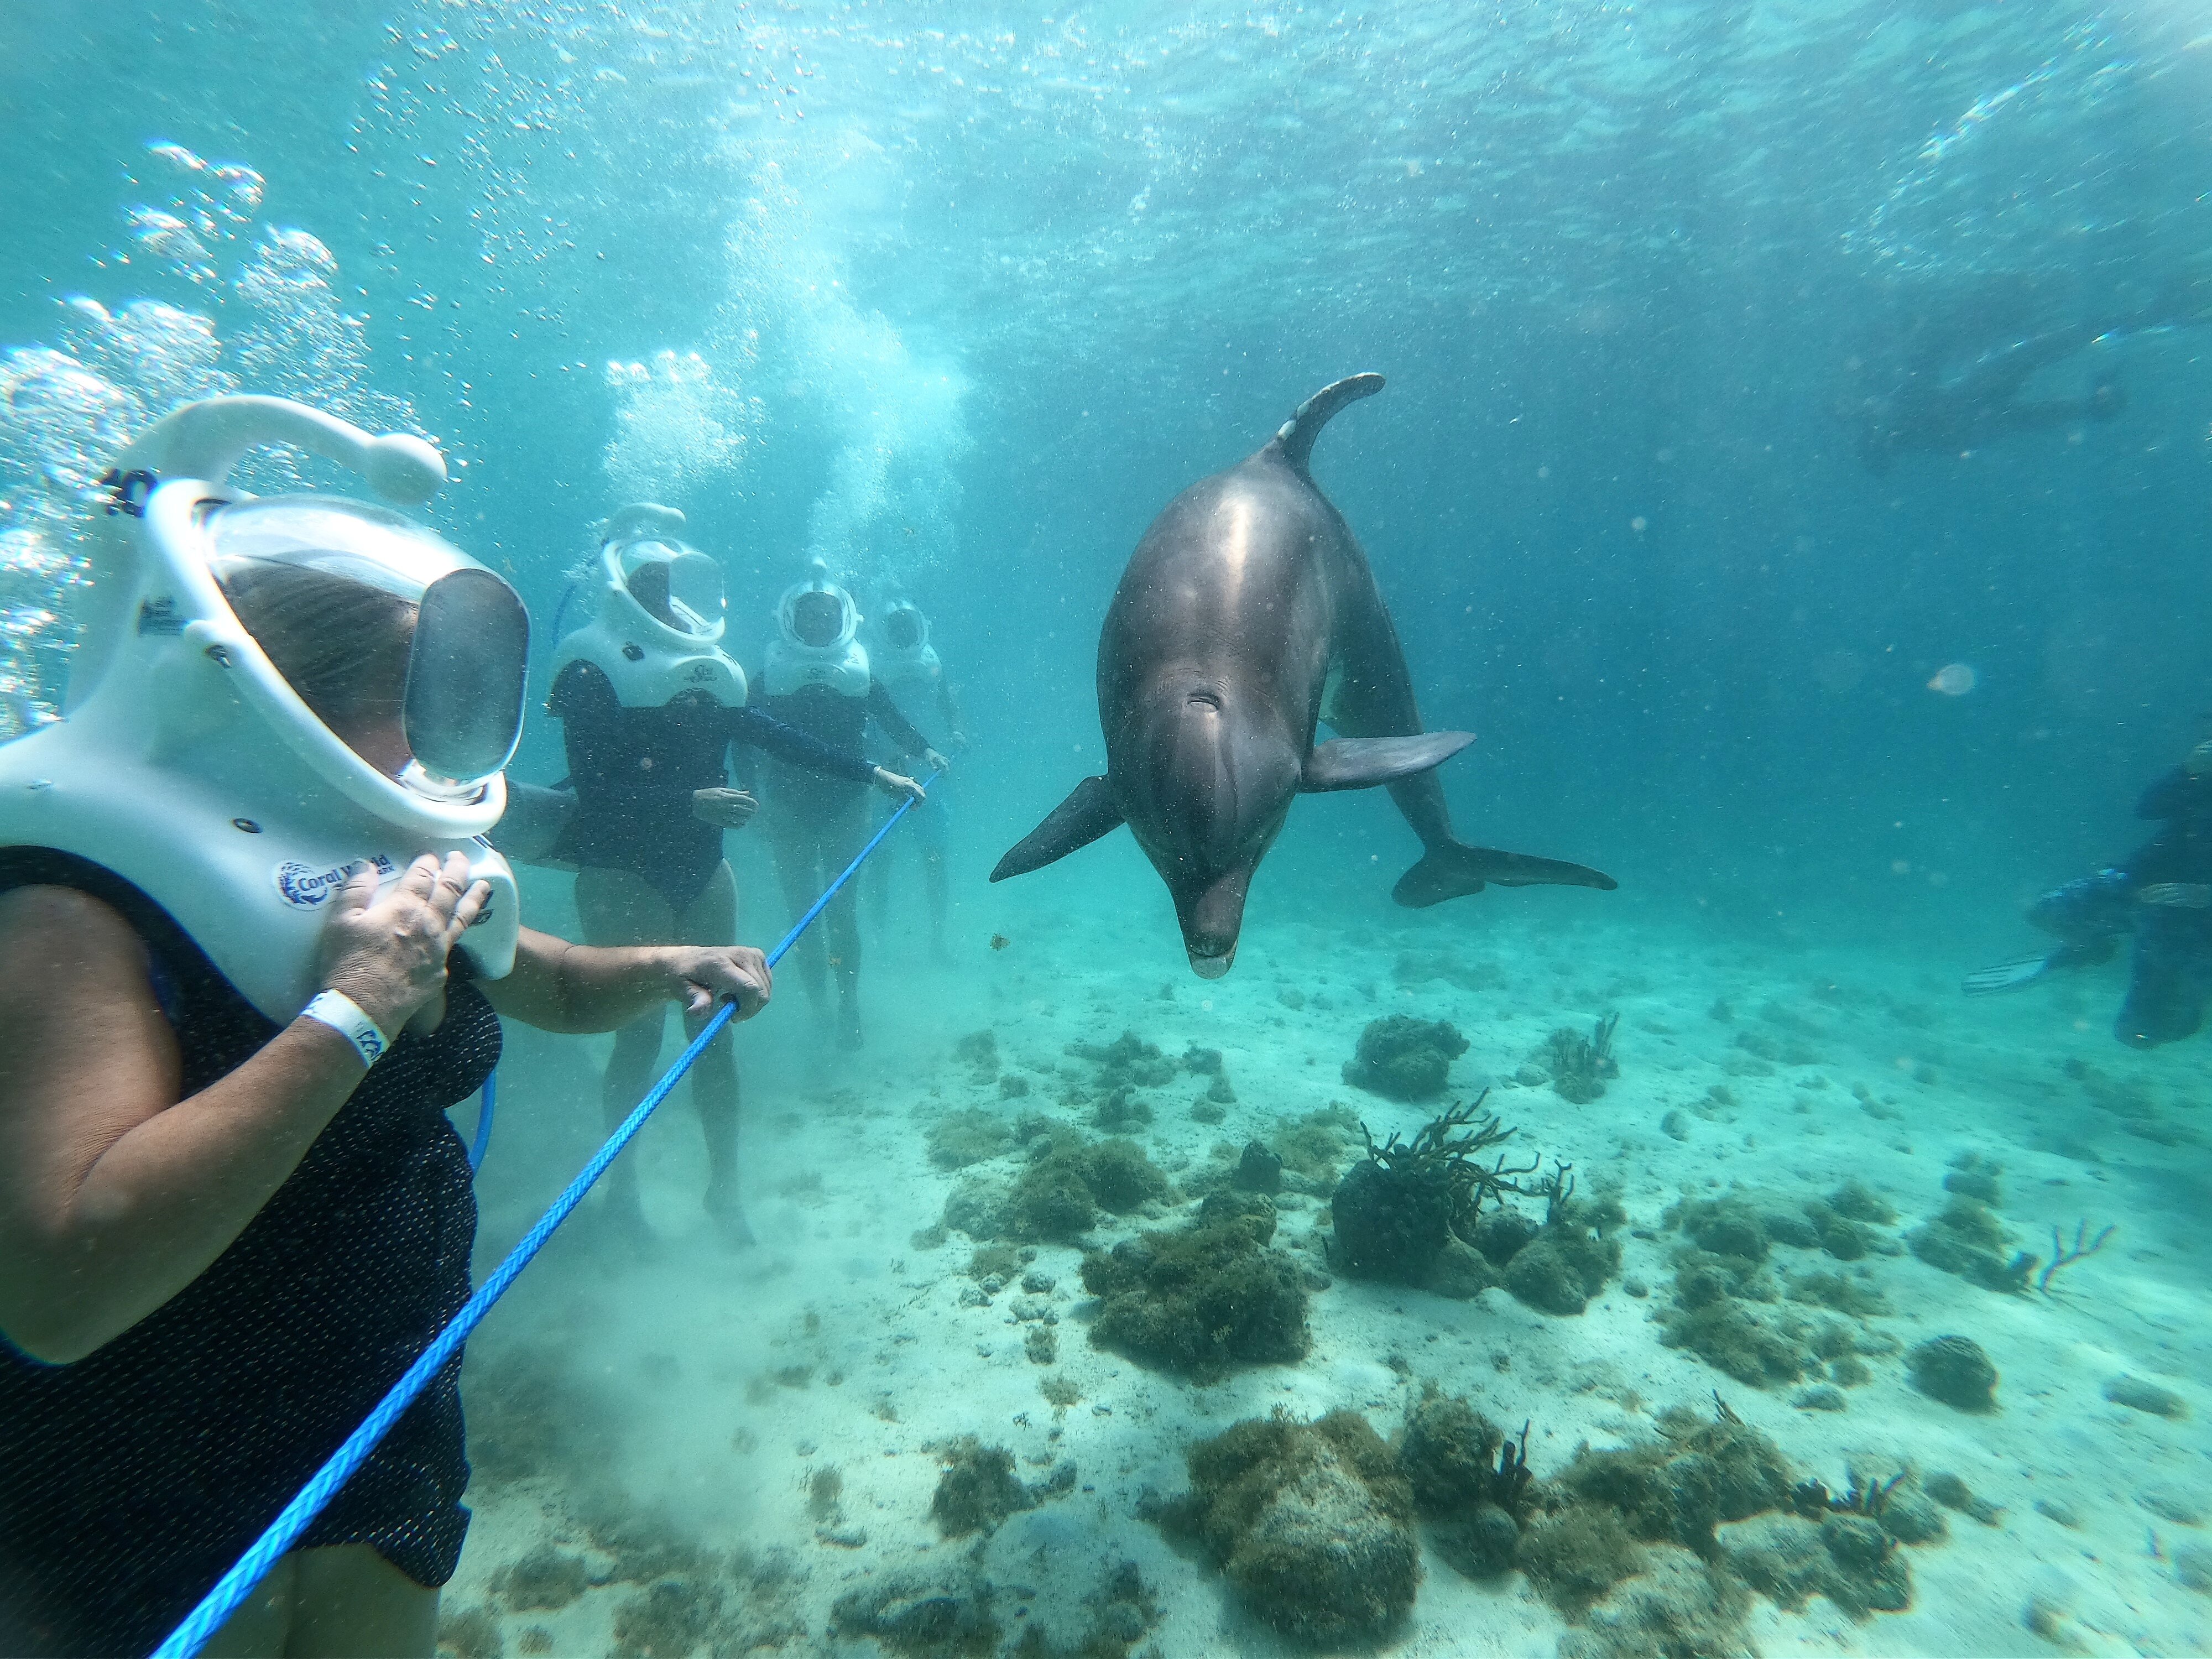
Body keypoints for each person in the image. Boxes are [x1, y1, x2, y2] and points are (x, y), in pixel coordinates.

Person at [0, 398, 775, 1657]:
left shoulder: (371, 827)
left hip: (381, 1414)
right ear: (268, 685)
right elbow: (62, 1285)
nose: (439, 736)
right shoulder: (72, 903)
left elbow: (544, 979)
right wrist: (353, 1009)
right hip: (151, 1478)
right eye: (418, 691)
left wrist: (670, 960)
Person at [525, 505, 925, 1243]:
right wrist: (689, 799)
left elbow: (771, 734)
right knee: (638, 1038)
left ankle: (725, 1194)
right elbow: (591, 793)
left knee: (716, 1033)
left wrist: (873, 772)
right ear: (616, 587)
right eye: (646, 581)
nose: (662, 594)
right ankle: (624, 1195)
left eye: (669, 581)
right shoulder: (589, 666)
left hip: (703, 872)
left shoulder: (706, 669)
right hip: (622, 875)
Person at [754, 562, 946, 1050]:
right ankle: (820, 1009)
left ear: (843, 617)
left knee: (842, 913)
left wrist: (925, 750)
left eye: (827, 614)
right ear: (790, 618)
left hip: (848, 804)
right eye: (809, 614)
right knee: (804, 916)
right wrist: (752, 792)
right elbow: (745, 736)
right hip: (786, 808)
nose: (818, 623)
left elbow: (891, 717)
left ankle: (848, 1004)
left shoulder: (858, 673)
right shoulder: (767, 676)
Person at [1966, 721, 2212, 1046]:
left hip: (2195, 924)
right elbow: (2149, 808)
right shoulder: (2204, 777)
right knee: (2048, 912)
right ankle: (2090, 948)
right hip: (2141, 884)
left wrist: (2203, 894)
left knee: (2140, 1034)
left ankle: (2179, 1003)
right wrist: (2188, 771)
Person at [866, 598, 967, 961]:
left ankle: (938, 942)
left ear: (919, 626)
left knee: (935, 858)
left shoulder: (931, 659)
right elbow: (869, 719)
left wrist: (957, 732)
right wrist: (884, 760)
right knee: (882, 861)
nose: (903, 634)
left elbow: (947, 702)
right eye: (896, 628)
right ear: (883, 630)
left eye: (908, 627)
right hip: (886, 775)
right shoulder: (869, 663)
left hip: (929, 770)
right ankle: (879, 942)